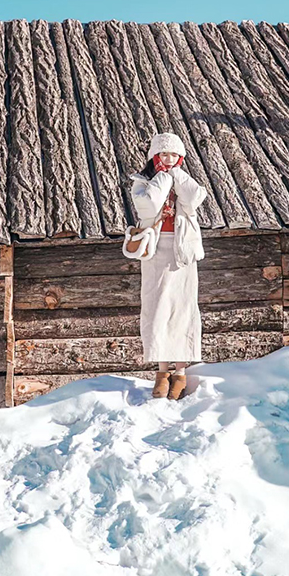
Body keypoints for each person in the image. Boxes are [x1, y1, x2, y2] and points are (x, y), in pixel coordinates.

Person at [129, 132, 207, 400]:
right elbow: (149, 206)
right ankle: (162, 373)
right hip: (156, 250)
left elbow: (193, 200)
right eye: (164, 154)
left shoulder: (184, 179)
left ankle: (181, 372)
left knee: (183, 309)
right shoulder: (142, 183)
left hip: (183, 250)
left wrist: (177, 175)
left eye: (175, 155)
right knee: (158, 308)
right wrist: (164, 177)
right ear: (155, 156)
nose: (170, 159)